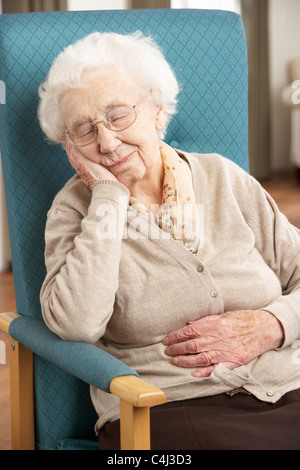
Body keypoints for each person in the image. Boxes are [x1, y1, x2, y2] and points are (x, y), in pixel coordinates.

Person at [38, 31, 300, 450]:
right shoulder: (73, 210)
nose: (106, 142)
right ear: (70, 146)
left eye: (118, 116)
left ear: (158, 111)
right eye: (84, 131)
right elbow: (77, 324)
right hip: (167, 409)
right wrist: (108, 197)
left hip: (284, 388)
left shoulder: (222, 178)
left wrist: (276, 323)